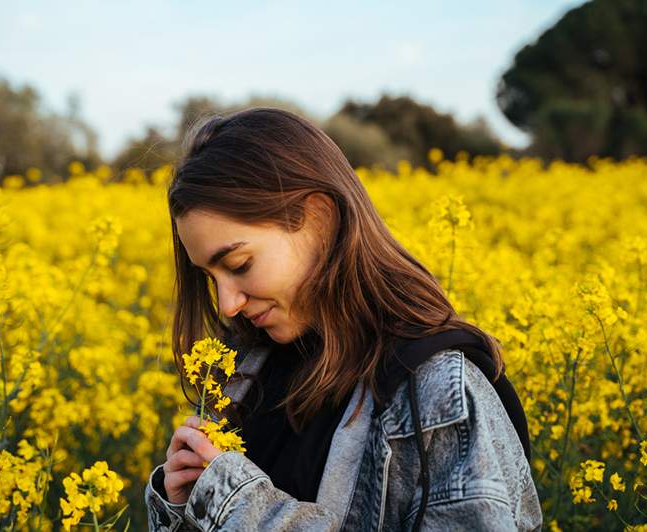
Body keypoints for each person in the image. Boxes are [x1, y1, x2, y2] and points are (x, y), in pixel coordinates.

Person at [144, 107, 542, 531]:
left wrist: (241, 506)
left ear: (319, 219)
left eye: (240, 264)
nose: (227, 304)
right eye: (210, 277)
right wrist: (183, 507)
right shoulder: (248, 370)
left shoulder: (435, 389)